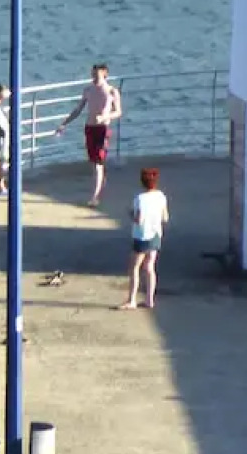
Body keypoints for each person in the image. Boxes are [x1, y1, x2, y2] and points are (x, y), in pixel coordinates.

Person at [57, 63, 122, 206]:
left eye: (97, 75)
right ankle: (100, 183)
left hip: (102, 129)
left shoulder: (112, 91)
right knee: (94, 162)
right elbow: (78, 109)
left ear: (105, 74)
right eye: (93, 74)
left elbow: (118, 112)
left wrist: (105, 117)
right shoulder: (88, 90)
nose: (94, 77)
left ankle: (94, 196)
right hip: (90, 128)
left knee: (98, 163)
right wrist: (64, 123)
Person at [120, 167, 168, 310]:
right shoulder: (161, 196)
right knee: (150, 267)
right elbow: (165, 217)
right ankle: (149, 299)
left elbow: (138, 220)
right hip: (156, 235)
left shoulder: (139, 199)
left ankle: (132, 300)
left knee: (135, 267)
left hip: (141, 236)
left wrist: (130, 214)